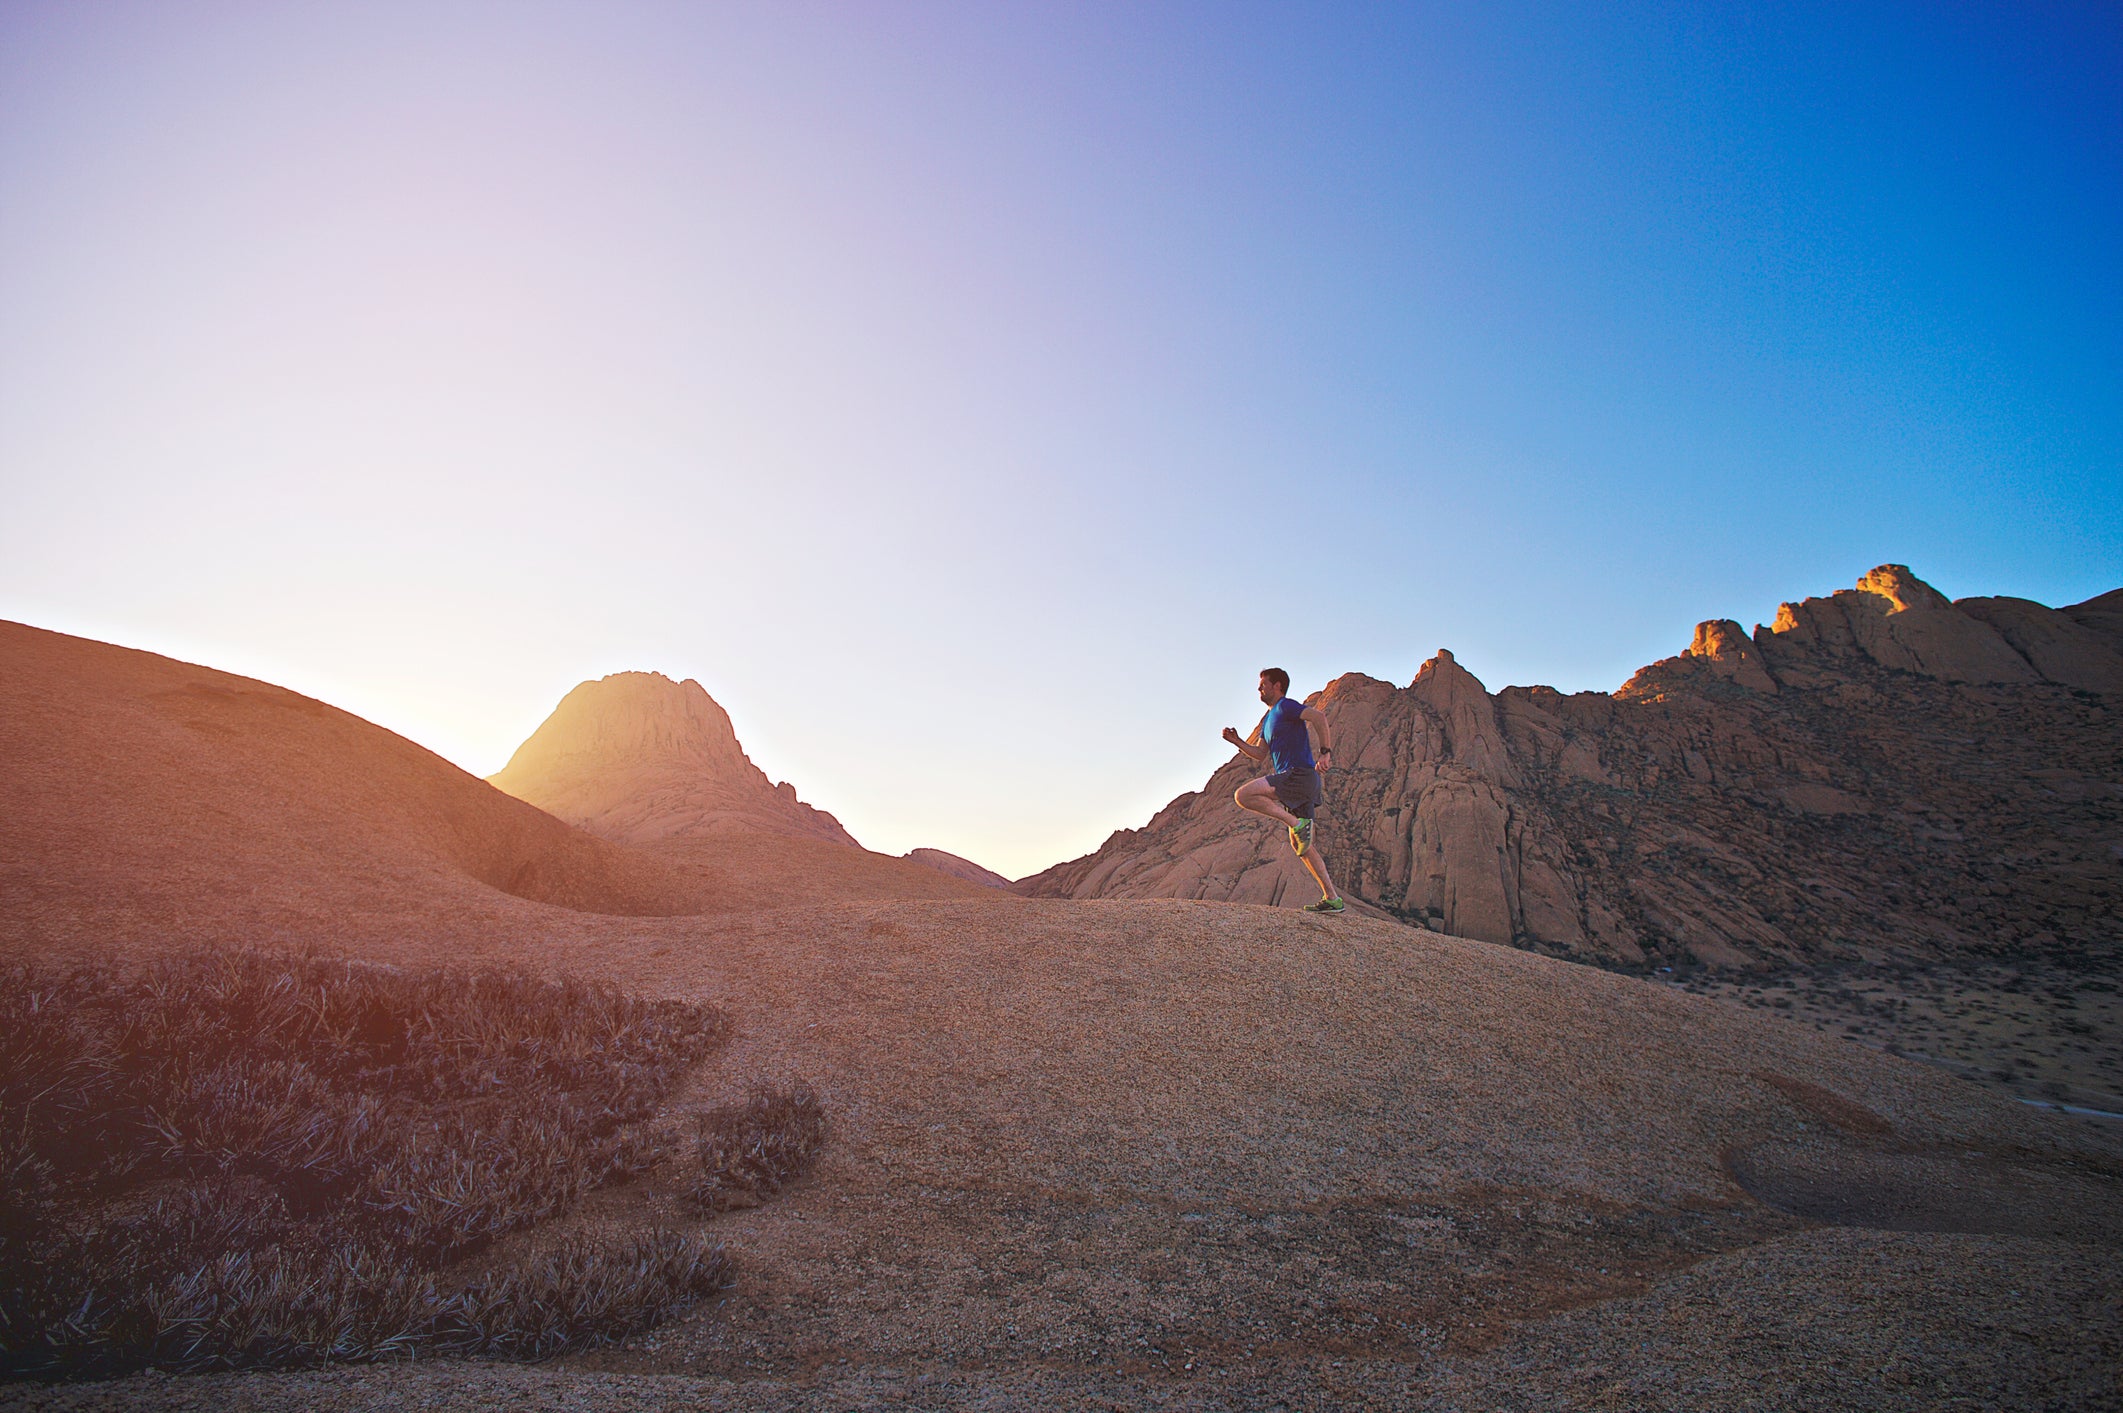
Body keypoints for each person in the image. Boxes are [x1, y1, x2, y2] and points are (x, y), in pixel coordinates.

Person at [1222, 668, 1345, 914]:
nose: (1259, 689)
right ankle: (1332, 898)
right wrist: (1237, 742)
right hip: (1300, 781)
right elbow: (1259, 755)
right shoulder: (1268, 721)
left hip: (1299, 774)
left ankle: (1295, 822)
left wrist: (1326, 752)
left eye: (1263, 684)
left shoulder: (1286, 706)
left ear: (1277, 685)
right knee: (1302, 846)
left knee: (1243, 795)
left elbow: (1319, 717)